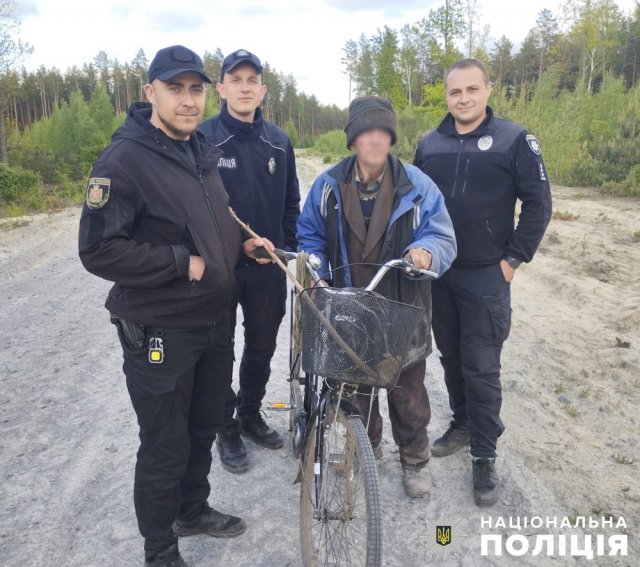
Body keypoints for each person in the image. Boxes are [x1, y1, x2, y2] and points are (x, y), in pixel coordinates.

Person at [78, 45, 274, 567]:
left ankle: (193, 509)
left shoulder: (197, 151)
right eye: (175, 88)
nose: (188, 101)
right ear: (150, 93)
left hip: (211, 320)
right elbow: (97, 249)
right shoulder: (123, 161)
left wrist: (240, 244)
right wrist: (178, 262)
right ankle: (159, 549)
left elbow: (210, 220)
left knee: (204, 422)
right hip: (160, 328)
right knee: (164, 442)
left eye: (195, 89)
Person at [297, 96, 457, 498]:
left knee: (409, 395)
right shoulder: (328, 185)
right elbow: (309, 234)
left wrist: (426, 253)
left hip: (403, 308)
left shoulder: (417, 186)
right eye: (366, 131)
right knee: (354, 392)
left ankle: (415, 460)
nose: (375, 139)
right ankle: (363, 450)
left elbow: (441, 235)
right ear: (352, 140)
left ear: (391, 138)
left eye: (382, 131)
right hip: (349, 307)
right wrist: (314, 262)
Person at [413, 58, 552, 506]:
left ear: (489, 90)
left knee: (482, 366)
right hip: (441, 274)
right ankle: (462, 421)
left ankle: (484, 456)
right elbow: (414, 203)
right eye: (455, 92)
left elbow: (538, 204)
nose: (464, 99)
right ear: (447, 95)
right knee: (451, 356)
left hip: (487, 276)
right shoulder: (429, 144)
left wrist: (512, 260)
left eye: (472, 90)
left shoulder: (515, 140)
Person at [198, 49, 301, 473]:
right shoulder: (201, 138)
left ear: (263, 91)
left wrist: (284, 250)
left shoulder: (278, 141)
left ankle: (251, 413)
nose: (244, 87)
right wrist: (224, 250)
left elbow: (291, 203)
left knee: (261, 345)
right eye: (234, 79)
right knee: (219, 349)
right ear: (220, 88)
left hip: (265, 269)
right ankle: (226, 428)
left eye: (251, 80)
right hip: (220, 270)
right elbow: (193, 209)